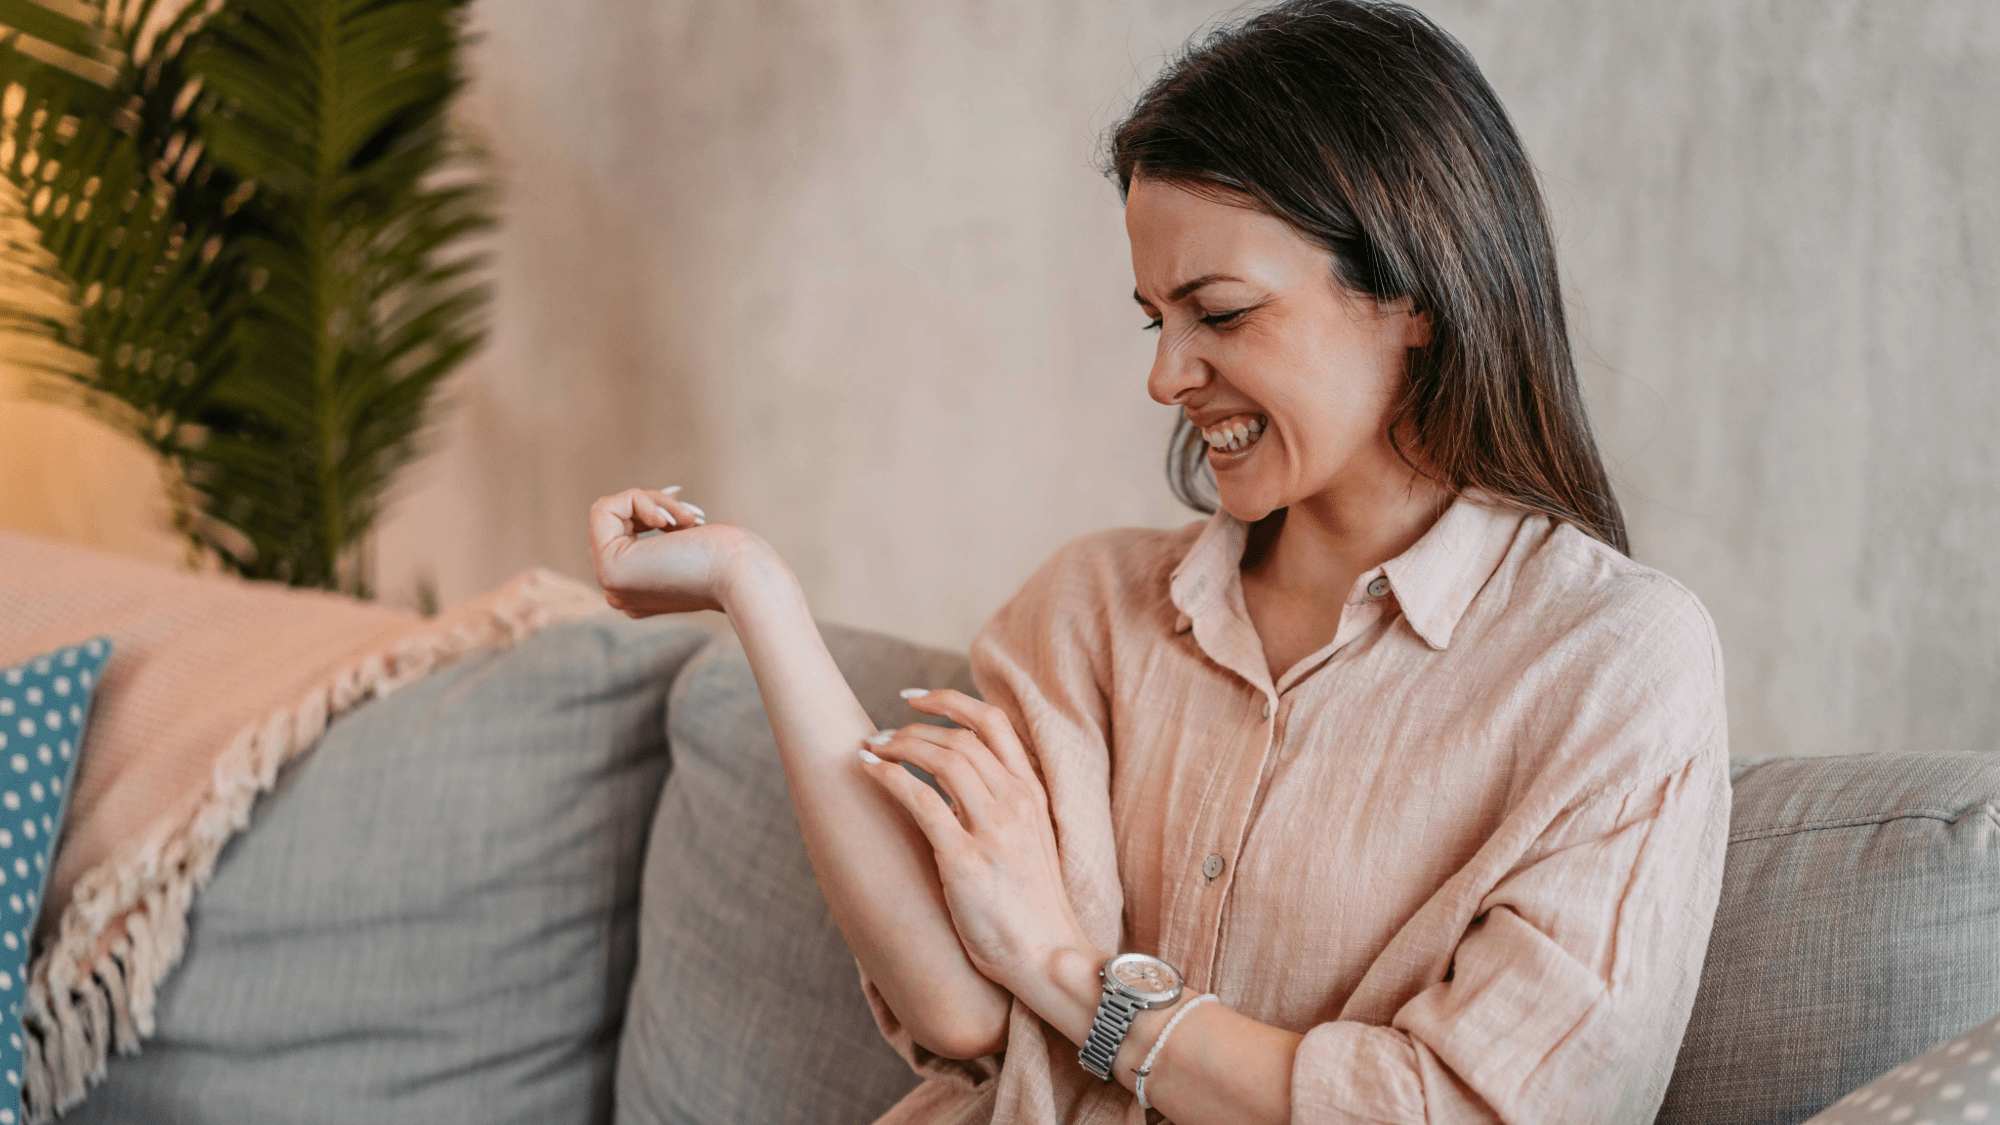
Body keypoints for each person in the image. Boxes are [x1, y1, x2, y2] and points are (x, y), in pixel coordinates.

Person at [588, 1, 1729, 1121]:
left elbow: (1465, 1108)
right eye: (1154, 321)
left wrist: (1061, 971)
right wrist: (755, 590)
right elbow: (954, 1008)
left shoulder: (1609, 665)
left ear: (1412, 296)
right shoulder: (1091, 607)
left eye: (1219, 314)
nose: (1166, 377)